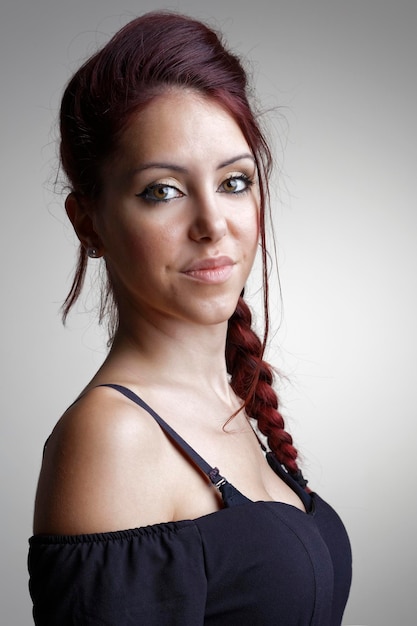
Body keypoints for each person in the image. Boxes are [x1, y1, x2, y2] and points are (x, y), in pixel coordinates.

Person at [28, 11, 352, 625]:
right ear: (88, 221)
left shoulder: (230, 403)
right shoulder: (114, 439)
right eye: (163, 191)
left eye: (234, 181)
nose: (212, 224)